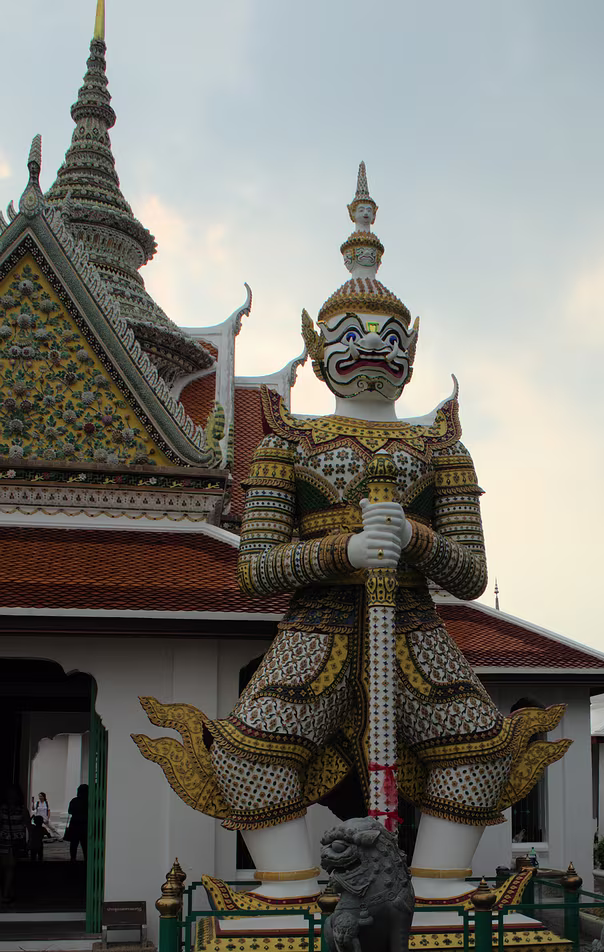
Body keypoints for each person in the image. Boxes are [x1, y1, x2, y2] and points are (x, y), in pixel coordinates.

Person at [135, 165, 569, 899]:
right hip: (317, 630)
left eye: (390, 334)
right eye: (351, 333)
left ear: (412, 346)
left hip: (413, 627)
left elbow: (470, 575)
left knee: (478, 751)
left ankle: (435, 888)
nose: (374, 345)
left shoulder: (440, 449)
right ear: (316, 341)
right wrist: (345, 549)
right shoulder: (285, 444)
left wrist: (415, 543)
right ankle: (288, 891)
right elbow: (255, 570)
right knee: (249, 757)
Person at [0, 785, 28, 906]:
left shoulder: (22, 809)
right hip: (3, 839)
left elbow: (28, 825)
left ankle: (5, 893)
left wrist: (31, 841)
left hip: (16, 841)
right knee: (4, 866)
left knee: (10, 866)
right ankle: (8, 891)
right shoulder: (2, 808)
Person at [65, 784, 88, 862]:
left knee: (74, 844)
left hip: (74, 824)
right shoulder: (88, 801)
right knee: (85, 844)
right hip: (85, 824)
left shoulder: (74, 801)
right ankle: (87, 858)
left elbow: (69, 811)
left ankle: (73, 858)